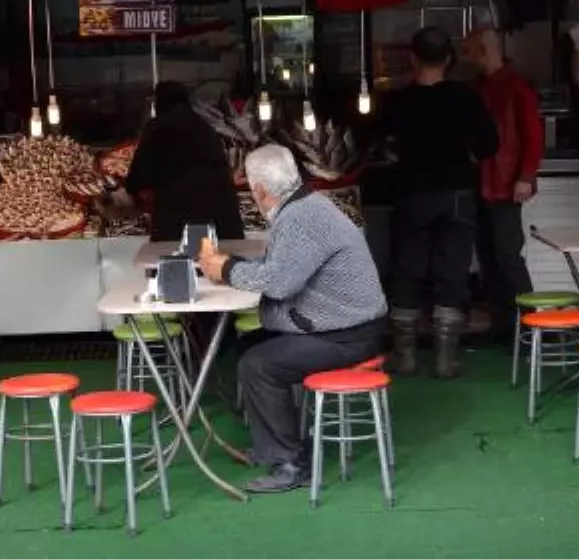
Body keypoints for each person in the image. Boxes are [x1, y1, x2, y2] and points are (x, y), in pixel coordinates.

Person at [198, 145, 387, 494]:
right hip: (345, 326)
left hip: (346, 335)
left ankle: (289, 462)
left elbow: (280, 283)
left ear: (259, 191)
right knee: (250, 346)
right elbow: (280, 270)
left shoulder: (301, 217)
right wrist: (231, 268)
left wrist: (224, 268)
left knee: (259, 363)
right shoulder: (306, 206)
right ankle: (271, 443)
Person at [378, 27, 499, 378]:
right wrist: (467, 155)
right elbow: (490, 144)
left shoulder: (397, 102)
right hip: (458, 196)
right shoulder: (466, 98)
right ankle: (446, 360)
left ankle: (407, 356)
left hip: (413, 196)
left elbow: (382, 146)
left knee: (408, 271)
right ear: (449, 60)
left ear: (413, 59)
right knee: (453, 273)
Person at [462, 26, 543, 347]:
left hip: (506, 182)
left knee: (507, 256)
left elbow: (532, 136)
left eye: (469, 51)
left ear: (484, 51)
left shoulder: (516, 87)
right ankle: (503, 326)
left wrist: (525, 175)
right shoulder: (479, 86)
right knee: (489, 256)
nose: (466, 57)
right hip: (482, 182)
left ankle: (528, 327)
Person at [110, 81, 244, 242]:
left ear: (159, 102)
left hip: (178, 211)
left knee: (176, 260)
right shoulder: (204, 127)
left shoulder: (157, 127)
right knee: (216, 259)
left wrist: (127, 191)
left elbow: (139, 173)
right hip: (221, 210)